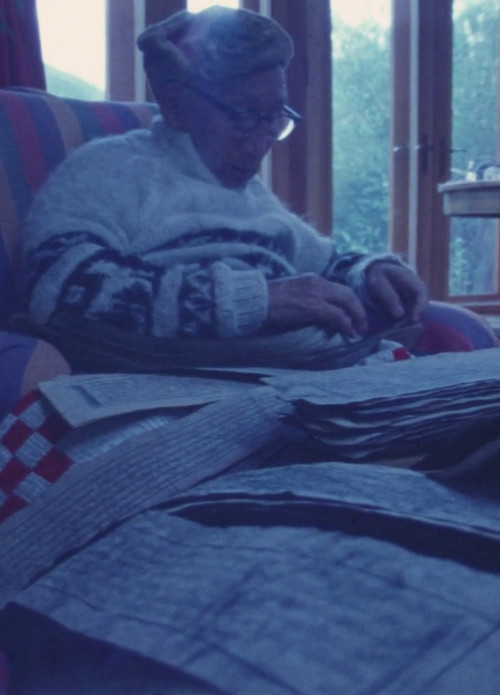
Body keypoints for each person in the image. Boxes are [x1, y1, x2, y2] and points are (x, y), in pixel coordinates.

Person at [20, 6, 494, 370]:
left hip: (318, 377)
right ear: (178, 104)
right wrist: (254, 301)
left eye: (275, 118)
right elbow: (57, 287)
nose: (263, 140)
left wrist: (369, 272)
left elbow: (323, 263)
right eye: (246, 115)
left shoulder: (250, 193)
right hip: (195, 384)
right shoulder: (107, 169)